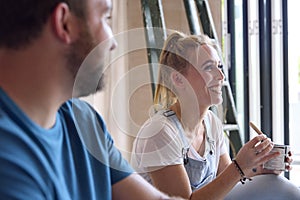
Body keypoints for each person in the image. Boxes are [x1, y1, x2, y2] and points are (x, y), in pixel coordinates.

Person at [0, 0, 183, 199]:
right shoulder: (7, 159)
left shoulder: (84, 120)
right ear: (65, 23)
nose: (113, 42)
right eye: (105, 18)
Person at [131, 31, 294, 199]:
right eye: (209, 67)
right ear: (179, 80)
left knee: (276, 184)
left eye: (219, 66)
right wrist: (239, 165)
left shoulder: (211, 123)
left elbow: (230, 183)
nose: (221, 76)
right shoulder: (160, 133)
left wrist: (259, 166)